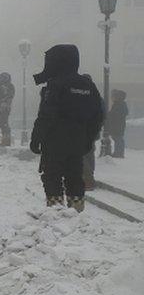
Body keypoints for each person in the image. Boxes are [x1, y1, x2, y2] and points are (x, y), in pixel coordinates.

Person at [30, 45, 104, 212]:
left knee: (52, 176)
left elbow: (46, 115)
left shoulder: (55, 84)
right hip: (77, 141)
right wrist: (88, 139)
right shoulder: (88, 85)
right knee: (75, 176)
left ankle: (56, 211)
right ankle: (76, 210)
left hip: (55, 140)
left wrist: (36, 138)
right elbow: (97, 116)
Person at [0, 72, 15, 146]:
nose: (0, 79)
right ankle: (4, 140)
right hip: (0, 107)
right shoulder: (2, 86)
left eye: (1, 78)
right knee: (2, 124)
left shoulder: (8, 86)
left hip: (4, 107)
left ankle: (6, 141)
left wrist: (1, 102)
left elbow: (8, 96)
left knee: (4, 124)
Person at [108, 90, 129, 158]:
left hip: (117, 125)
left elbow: (115, 115)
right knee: (117, 138)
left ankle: (118, 153)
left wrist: (109, 115)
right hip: (118, 125)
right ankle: (118, 153)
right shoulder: (120, 104)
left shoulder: (119, 105)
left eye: (113, 96)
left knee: (118, 138)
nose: (112, 98)